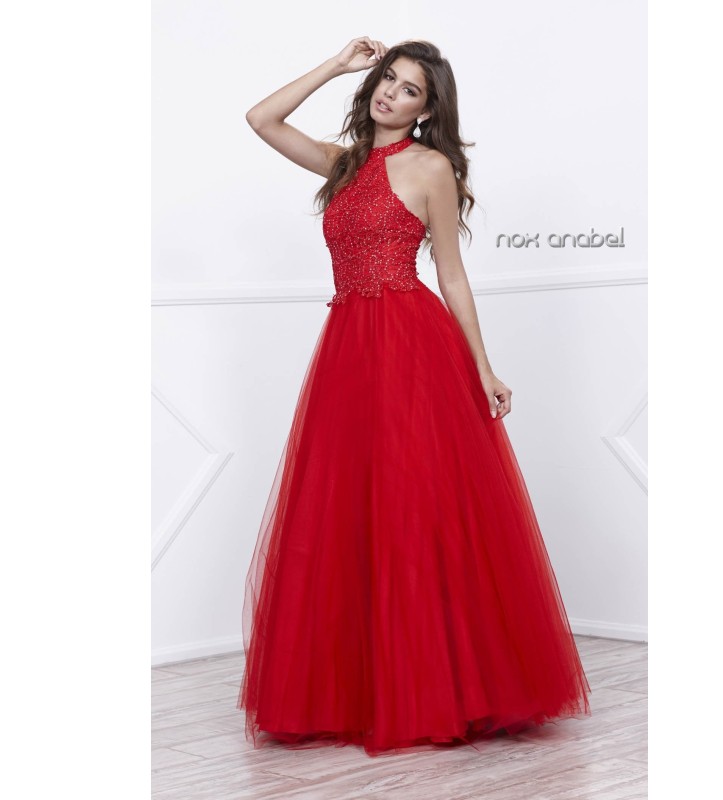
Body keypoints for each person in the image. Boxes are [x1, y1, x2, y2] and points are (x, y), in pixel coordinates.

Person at [237, 37, 591, 758]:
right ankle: (358, 690)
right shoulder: (342, 165)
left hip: (409, 343)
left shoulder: (430, 168)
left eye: (409, 90)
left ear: (428, 110)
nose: (390, 94)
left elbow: (452, 274)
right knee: (348, 510)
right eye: (387, 79)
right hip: (347, 348)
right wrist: (336, 64)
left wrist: (483, 367)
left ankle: (435, 688)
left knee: (413, 508)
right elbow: (261, 119)